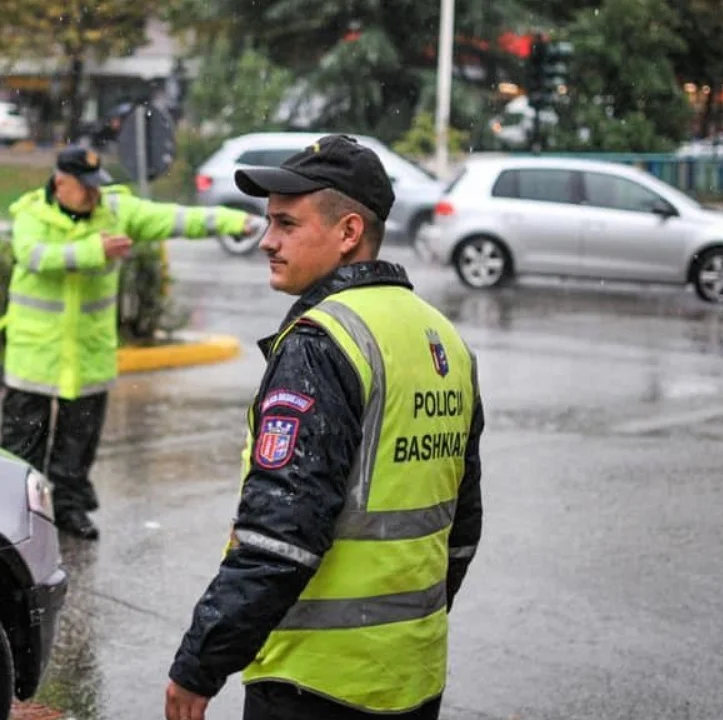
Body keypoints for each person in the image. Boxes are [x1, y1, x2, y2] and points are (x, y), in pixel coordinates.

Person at [164, 135, 484, 720]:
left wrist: (199, 665)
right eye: (268, 224)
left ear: (348, 233)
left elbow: (280, 537)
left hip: (311, 683)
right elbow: (461, 528)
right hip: (410, 677)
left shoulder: (322, 343)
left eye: (286, 224)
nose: (267, 241)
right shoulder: (443, 339)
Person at [0, 146, 265, 540]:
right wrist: (95, 250)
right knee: (22, 444)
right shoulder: (31, 214)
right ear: (60, 183)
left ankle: (69, 510)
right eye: (85, 188)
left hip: (89, 353)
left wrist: (233, 220)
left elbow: (174, 218)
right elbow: (35, 256)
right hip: (35, 352)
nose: (94, 196)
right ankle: (14, 518)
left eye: (96, 187)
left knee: (79, 443)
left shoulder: (116, 212)